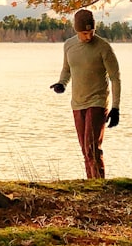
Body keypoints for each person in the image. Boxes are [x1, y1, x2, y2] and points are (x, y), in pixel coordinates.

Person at [50, 9, 120, 179]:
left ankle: (99, 184)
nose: (88, 37)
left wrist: (115, 108)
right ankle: (92, 183)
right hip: (77, 103)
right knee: (85, 149)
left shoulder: (103, 47)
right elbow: (67, 69)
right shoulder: (69, 45)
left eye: (91, 32)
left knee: (92, 147)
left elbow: (115, 78)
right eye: (84, 33)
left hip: (97, 101)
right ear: (76, 31)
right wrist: (62, 83)